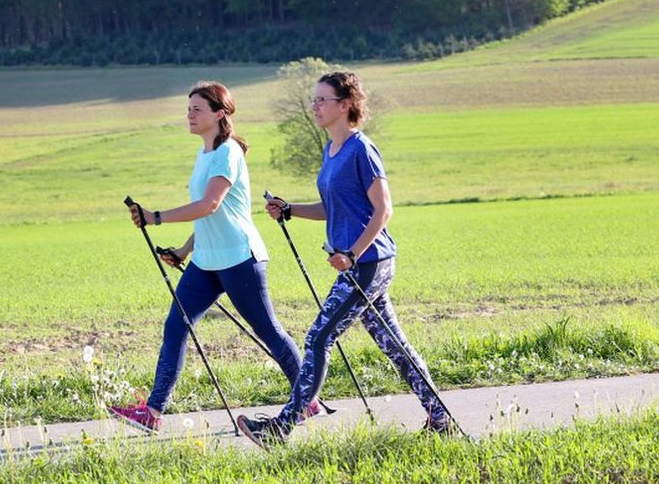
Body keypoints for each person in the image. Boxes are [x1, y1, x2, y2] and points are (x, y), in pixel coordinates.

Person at [237, 71, 452, 448]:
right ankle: (440, 418)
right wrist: (290, 210)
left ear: (346, 105)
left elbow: (384, 209)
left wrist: (354, 253)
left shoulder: (361, 149)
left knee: (319, 337)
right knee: (394, 346)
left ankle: (281, 427)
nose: (315, 106)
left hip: (368, 263)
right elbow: (334, 208)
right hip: (358, 263)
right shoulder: (331, 151)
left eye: (322, 100)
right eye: (314, 100)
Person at [108, 81, 305, 433]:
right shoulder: (204, 154)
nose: (189, 114)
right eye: (188, 109)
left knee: (268, 331)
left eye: (196, 109)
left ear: (219, 114)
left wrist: (155, 217)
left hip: (239, 258)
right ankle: (152, 412)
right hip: (207, 261)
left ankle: (306, 400)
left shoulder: (228, 152)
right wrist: (183, 249)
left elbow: (209, 204)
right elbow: (210, 216)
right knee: (175, 326)